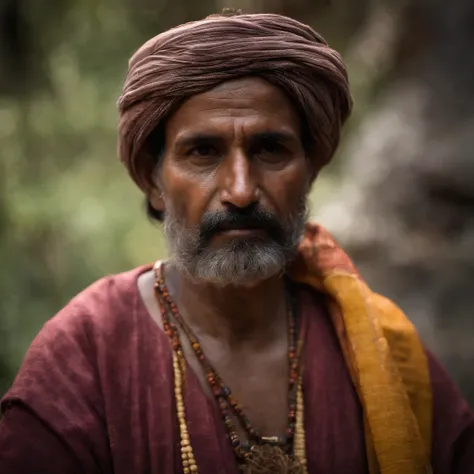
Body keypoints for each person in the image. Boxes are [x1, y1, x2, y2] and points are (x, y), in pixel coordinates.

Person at [0, 10, 473, 474]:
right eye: (203, 151)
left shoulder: (384, 348)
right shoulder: (85, 355)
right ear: (153, 181)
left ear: (309, 172)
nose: (242, 190)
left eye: (271, 149)